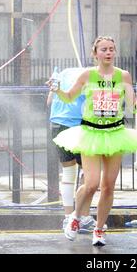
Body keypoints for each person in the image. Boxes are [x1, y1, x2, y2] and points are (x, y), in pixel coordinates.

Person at [49, 36, 137, 246]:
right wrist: (57, 90)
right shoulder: (88, 75)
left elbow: (130, 103)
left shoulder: (123, 76)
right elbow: (68, 97)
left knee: (108, 186)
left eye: (112, 49)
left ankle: (99, 229)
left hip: (114, 133)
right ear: (96, 53)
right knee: (91, 183)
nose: (109, 52)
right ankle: (75, 218)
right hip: (91, 134)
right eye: (104, 49)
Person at [47, 67, 96, 237]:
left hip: (56, 123)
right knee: (88, 173)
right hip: (78, 125)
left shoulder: (61, 73)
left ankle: (68, 216)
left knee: (68, 171)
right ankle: (84, 217)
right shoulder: (90, 77)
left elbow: (49, 101)